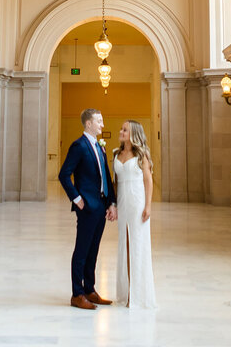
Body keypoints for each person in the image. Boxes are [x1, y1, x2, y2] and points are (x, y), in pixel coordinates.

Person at [58, 108, 116, 310]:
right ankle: (77, 294)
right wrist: (77, 198)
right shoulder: (79, 146)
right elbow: (64, 175)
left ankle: (90, 289)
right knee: (81, 251)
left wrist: (111, 203)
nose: (102, 124)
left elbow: (106, 178)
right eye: (99, 121)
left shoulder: (100, 147)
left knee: (94, 250)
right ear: (88, 124)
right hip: (87, 207)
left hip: (100, 207)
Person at [113, 120, 157, 308]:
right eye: (122, 128)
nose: (121, 131)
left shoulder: (141, 155)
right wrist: (113, 204)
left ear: (133, 134)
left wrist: (148, 205)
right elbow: (115, 182)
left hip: (137, 203)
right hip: (123, 204)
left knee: (138, 247)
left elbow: (148, 181)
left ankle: (138, 295)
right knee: (125, 246)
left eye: (125, 130)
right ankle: (126, 291)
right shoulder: (116, 153)